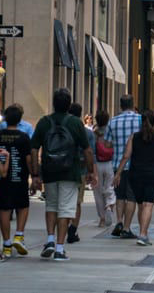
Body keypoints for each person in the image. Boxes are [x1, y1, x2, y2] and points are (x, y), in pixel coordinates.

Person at [30, 88, 95, 261]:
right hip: (70, 172)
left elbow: (34, 148)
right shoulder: (75, 123)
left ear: (53, 103)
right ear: (69, 104)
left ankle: (50, 239)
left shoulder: (44, 122)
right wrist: (91, 171)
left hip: (49, 171)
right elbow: (87, 150)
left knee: (51, 206)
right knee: (65, 209)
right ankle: (59, 248)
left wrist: (35, 174)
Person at [113, 111, 154, 246]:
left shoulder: (134, 137)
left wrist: (118, 173)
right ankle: (143, 234)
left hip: (136, 175)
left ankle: (142, 231)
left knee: (141, 205)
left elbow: (126, 156)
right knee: (148, 204)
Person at [0, 104, 32, 259]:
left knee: (4, 210)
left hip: (0, 179)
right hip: (19, 177)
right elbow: (29, 159)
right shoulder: (24, 137)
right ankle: (19, 235)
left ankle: (7, 244)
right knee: (23, 206)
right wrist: (34, 174)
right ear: (20, 119)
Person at [108, 95, 142, 239]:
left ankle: (119, 222)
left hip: (117, 165)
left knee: (120, 196)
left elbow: (108, 144)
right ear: (133, 104)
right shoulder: (140, 119)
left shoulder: (112, 121)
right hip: (135, 165)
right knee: (132, 197)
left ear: (120, 106)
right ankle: (127, 228)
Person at [66, 102, 94, 243]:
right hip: (80, 170)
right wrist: (91, 172)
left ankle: (63, 228)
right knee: (77, 202)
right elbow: (90, 152)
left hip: (63, 169)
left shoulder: (63, 129)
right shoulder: (87, 132)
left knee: (64, 202)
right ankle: (73, 229)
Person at [92, 111, 116, 228]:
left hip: (97, 164)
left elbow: (91, 151)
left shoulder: (94, 133)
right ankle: (110, 204)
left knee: (97, 191)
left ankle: (102, 218)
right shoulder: (111, 131)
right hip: (110, 163)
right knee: (110, 187)